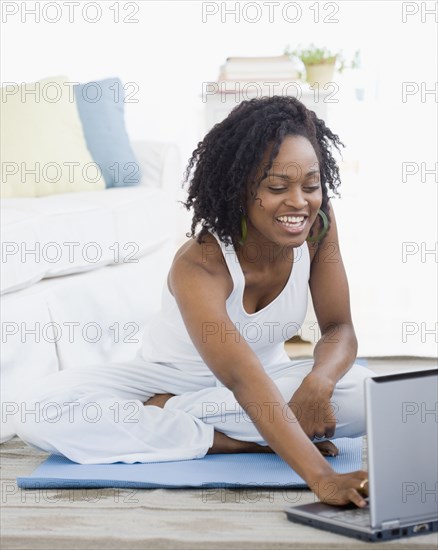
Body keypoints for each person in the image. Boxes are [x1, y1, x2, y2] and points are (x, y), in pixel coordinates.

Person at [15, 95, 373, 508]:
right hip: (164, 380)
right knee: (38, 411)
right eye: (277, 187)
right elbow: (241, 379)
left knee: (362, 392)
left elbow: (339, 329)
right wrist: (321, 476)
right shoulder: (200, 263)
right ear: (241, 188)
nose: (299, 202)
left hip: (270, 377)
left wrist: (319, 381)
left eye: (311, 185)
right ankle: (233, 442)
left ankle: (174, 416)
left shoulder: (318, 226)